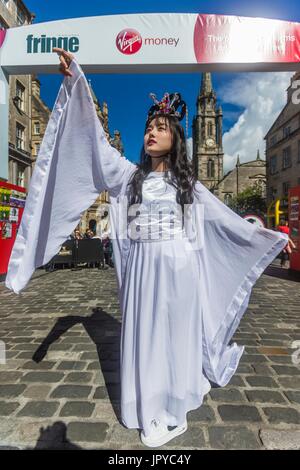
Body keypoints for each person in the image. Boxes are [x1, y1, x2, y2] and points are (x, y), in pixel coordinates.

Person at [5, 48, 289, 448]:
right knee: (148, 335)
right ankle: (151, 406)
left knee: (175, 336)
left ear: (175, 138)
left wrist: (271, 236)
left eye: (161, 127)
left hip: (180, 269)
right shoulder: (129, 176)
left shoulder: (189, 184)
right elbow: (96, 143)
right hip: (144, 271)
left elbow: (227, 222)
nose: (151, 132)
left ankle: (177, 401)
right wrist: (78, 82)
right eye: (148, 127)